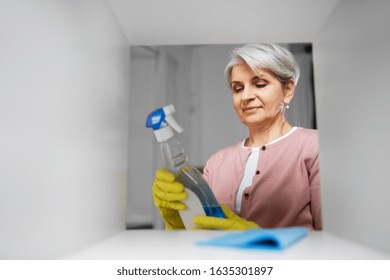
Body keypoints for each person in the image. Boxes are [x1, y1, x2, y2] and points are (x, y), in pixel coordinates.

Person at [152, 43, 322, 231]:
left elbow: (334, 240)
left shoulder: (315, 147)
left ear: (288, 90)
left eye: (259, 84)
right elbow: (201, 234)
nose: (245, 96)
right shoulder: (217, 163)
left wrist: (257, 240)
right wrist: (177, 219)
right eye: (238, 88)